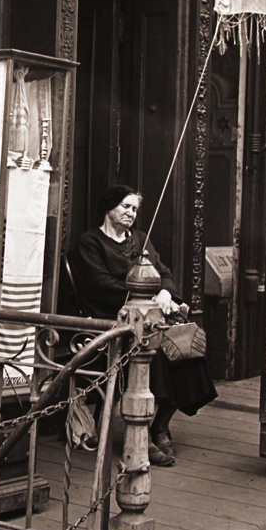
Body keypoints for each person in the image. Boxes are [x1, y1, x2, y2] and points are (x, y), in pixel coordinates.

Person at [71, 184, 217, 467]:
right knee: (157, 352)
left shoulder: (140, 239)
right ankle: (143, 436)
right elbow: (101, 285)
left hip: (148, 319)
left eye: (135, 209)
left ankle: (160, 425)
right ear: (109, 207)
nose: (131, 213)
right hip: (110, 320)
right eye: (125, 207)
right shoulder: (90, 243)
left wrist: (165, 293)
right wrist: (148, 297)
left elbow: (163, 273)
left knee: (185, 350)